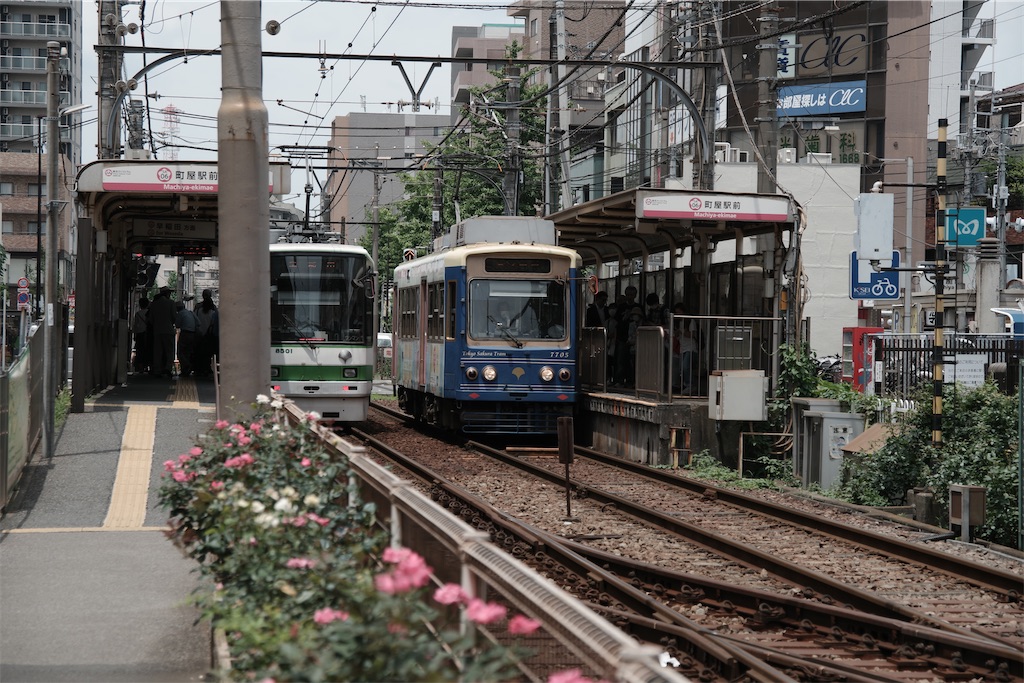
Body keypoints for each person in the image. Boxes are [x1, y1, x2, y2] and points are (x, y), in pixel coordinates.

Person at [149, 286, 176, 377]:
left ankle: (157, 369)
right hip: (168, 330)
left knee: (158, 351)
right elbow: (174, 317)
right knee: (169, 351)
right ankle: (168, 368)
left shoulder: (154, 304)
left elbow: (151, 319)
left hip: (157, 331)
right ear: (168, 294)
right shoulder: (171, 303)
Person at [193, 289, 217, 378]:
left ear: (203, 296)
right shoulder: (213, 308)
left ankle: (199, 369)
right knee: (208, 353)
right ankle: (207, 368)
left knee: (199, 353)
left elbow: (194, 320)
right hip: (210, 335)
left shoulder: (198, 307)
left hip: (199, 334)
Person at [174, 301, 199, 377]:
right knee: (189, 352)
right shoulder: (191, 312)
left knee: (181, 352)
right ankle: (188, 368)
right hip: (193, 334)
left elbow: (177, 325)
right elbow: (198, 323)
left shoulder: (180, 314)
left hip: (185, 333)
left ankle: (186, 367)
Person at [132, 297, 151, 373]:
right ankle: (147, 366)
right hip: (147, 333)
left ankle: (140, 367)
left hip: (139, 334)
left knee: (139, 351)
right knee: (147, 350)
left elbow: (136, 325)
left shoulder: (138, 314)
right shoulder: (149, 313)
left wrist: (135, 335)